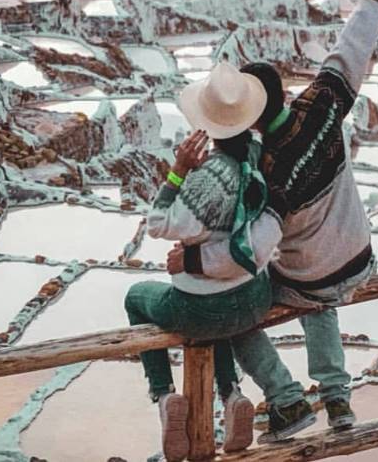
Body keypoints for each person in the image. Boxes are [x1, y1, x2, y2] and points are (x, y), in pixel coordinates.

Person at [167, 0, 378, 442]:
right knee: (320, 283)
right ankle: (337, 396)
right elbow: (352, 48)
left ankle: (284, 398)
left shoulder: (262, 174)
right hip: (358, 259)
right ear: (285, 93)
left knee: (231, 306)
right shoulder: (322, 106)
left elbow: (246, 253)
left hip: (308, 278)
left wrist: (190, 264)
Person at [124, 62, 274, 461]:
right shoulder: (259, 156)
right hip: (254, 298)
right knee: (216, 309)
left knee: (136, 297)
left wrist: (178, 172)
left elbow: (160, 224)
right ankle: (231, 393)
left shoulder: (212, 176)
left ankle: (164, 395)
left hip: (203, 309)